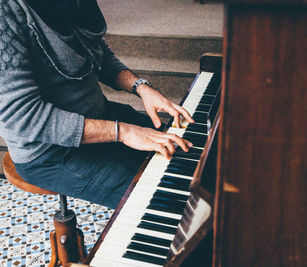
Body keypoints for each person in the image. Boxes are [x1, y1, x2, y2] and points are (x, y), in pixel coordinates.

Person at [0, 0, 194, 209]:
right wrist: (124, 132)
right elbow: (23, 116)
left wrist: (141, 87)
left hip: (99, 117)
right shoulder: (6, 13)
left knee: (185, 154)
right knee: (167, 201)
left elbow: (97, 53)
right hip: (48, 153)